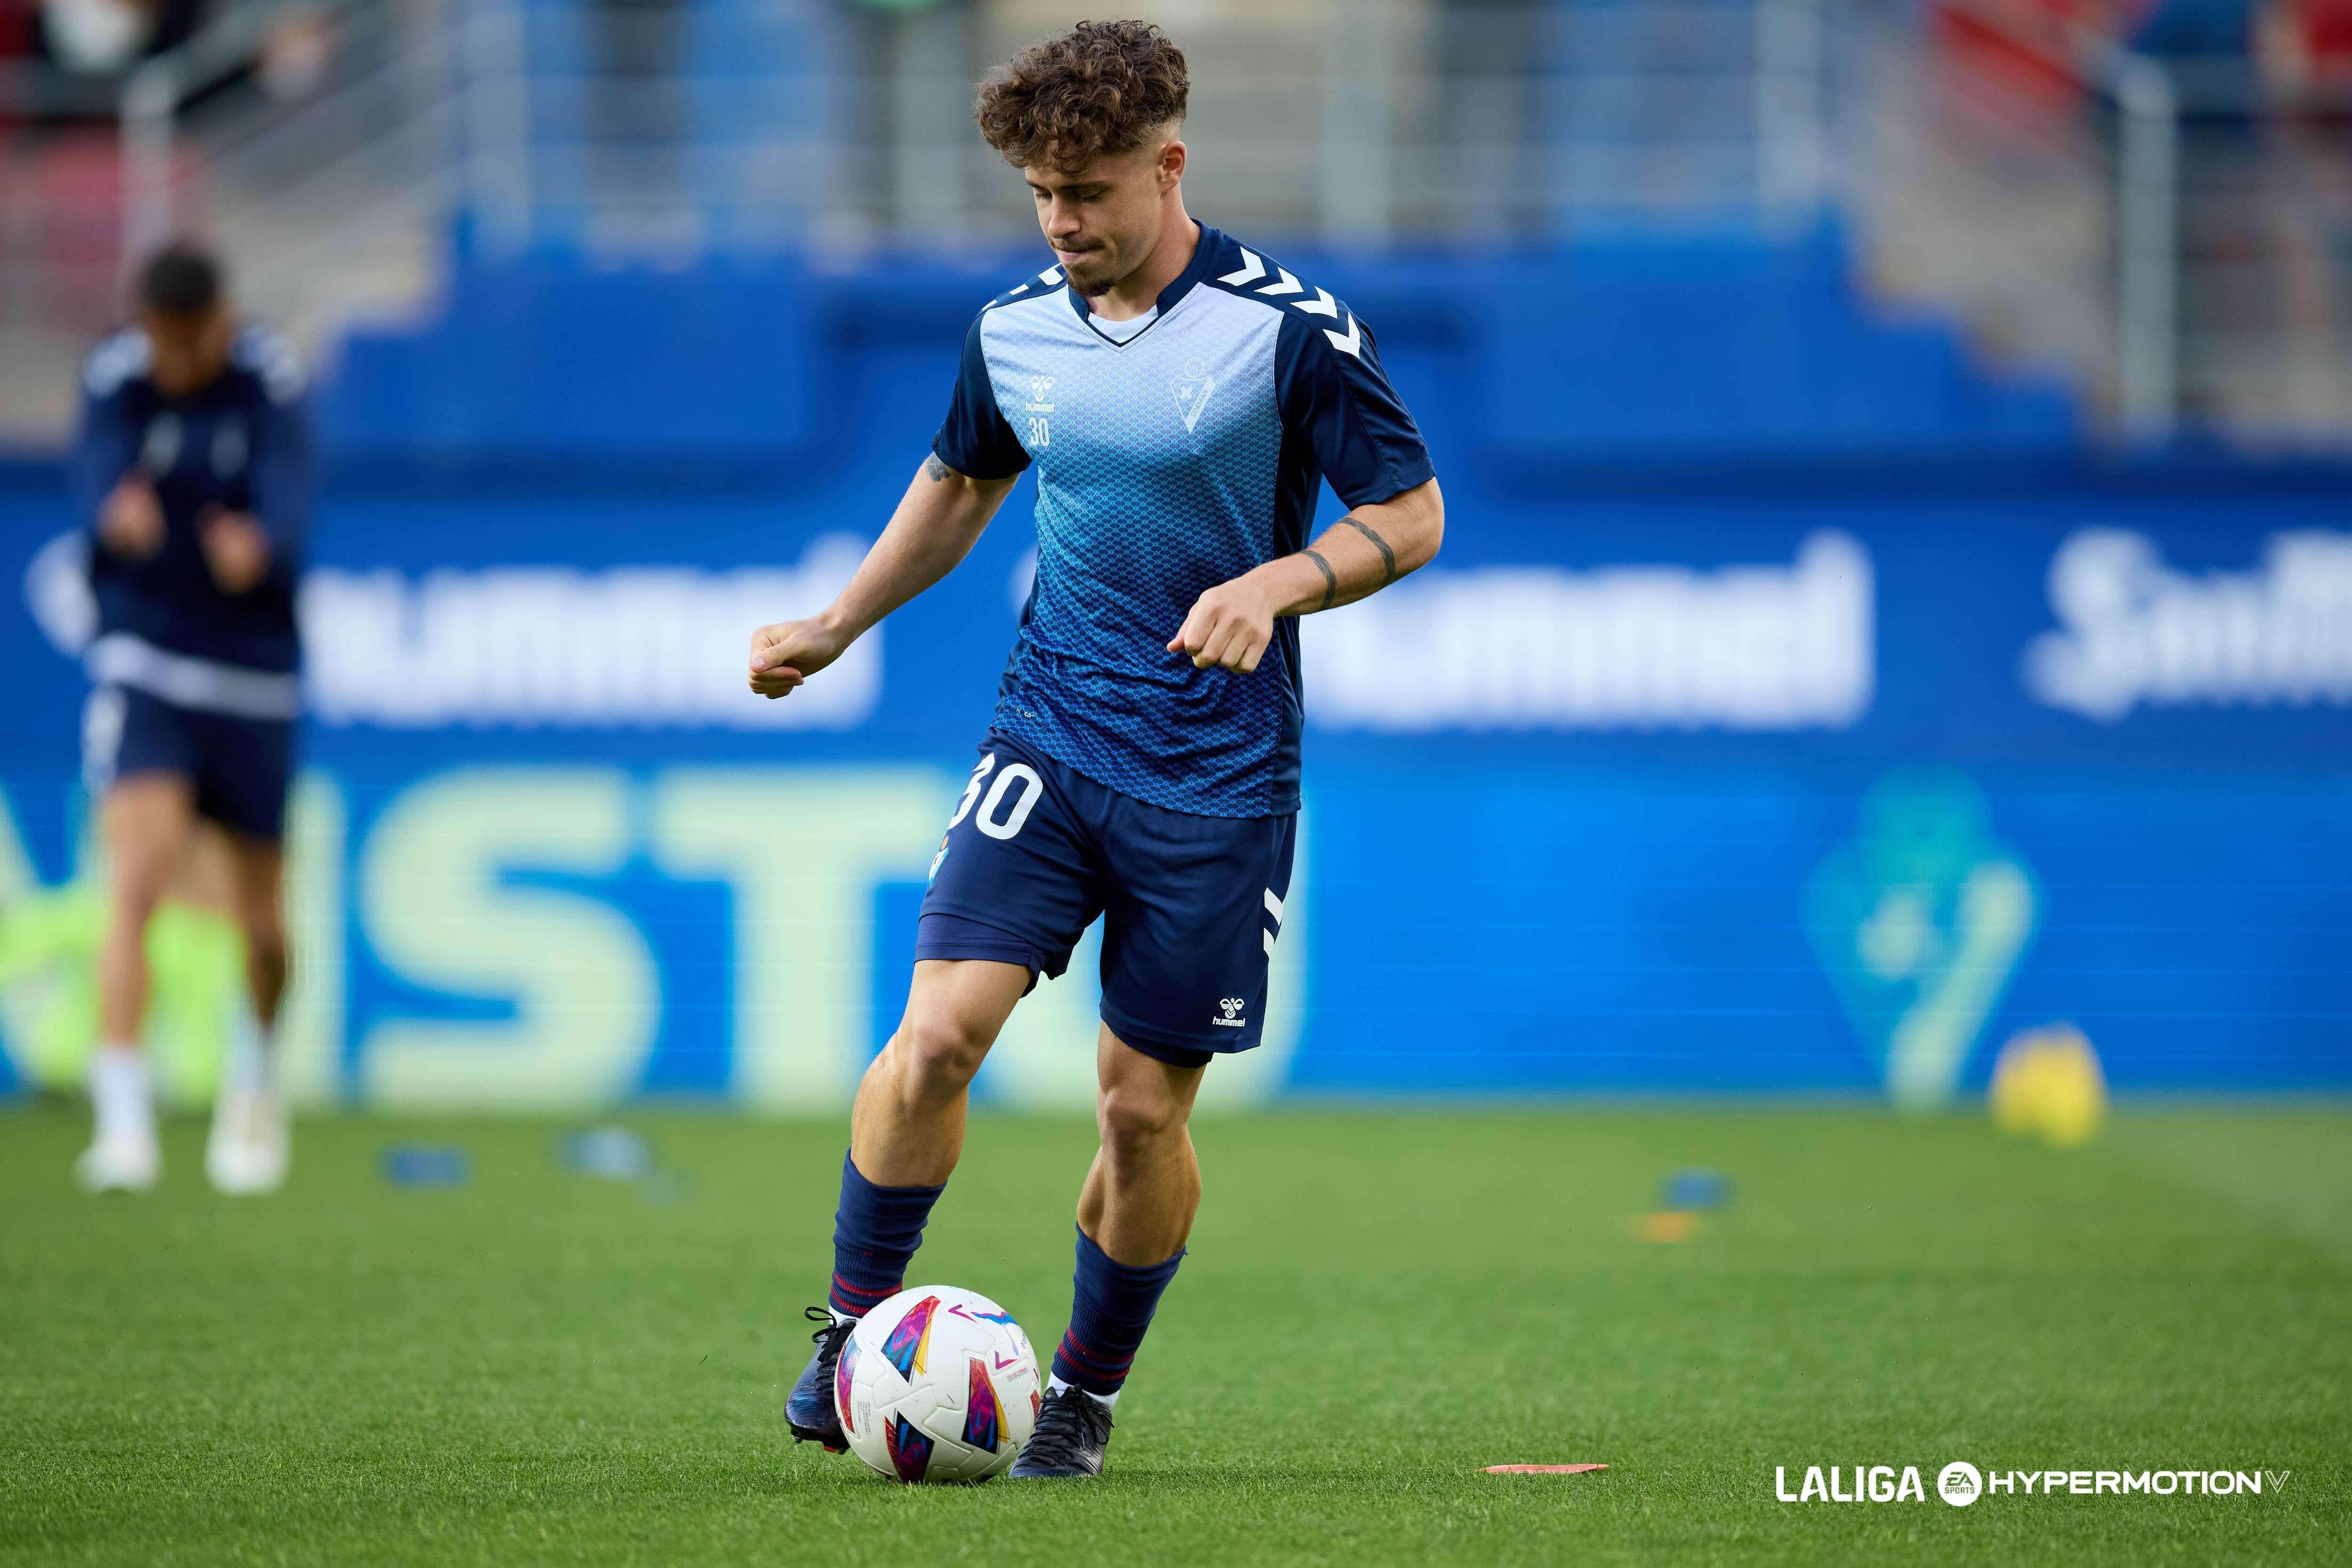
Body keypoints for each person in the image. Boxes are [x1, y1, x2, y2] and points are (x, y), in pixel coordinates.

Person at [746, 21, 1443, 1478]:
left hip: (1217, 776)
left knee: (1138, 1111)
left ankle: (1082, 1393)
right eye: (1041, 193)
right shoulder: (1013, 330)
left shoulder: (1287, 331)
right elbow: (958, 484)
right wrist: (839, 620)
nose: (1064, 222)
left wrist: (1278, 579)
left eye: (1092, 191)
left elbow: (1414, 512)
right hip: (1053, 729)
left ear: (1169, 164)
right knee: (937, 1032)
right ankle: (852, 1325)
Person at [69, 239, 312, 1195]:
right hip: (148, 657)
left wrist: (264, 542)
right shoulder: (117, 376)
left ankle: (255, 1077)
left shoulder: (268, 381)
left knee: (261, 919)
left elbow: (293, 504)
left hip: (252, 673)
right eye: (158, 342)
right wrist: (105, 515)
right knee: (137, 873)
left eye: (187, 341)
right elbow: (92, 473)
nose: (172, 361)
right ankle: (122, 1120)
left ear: (220, 321)